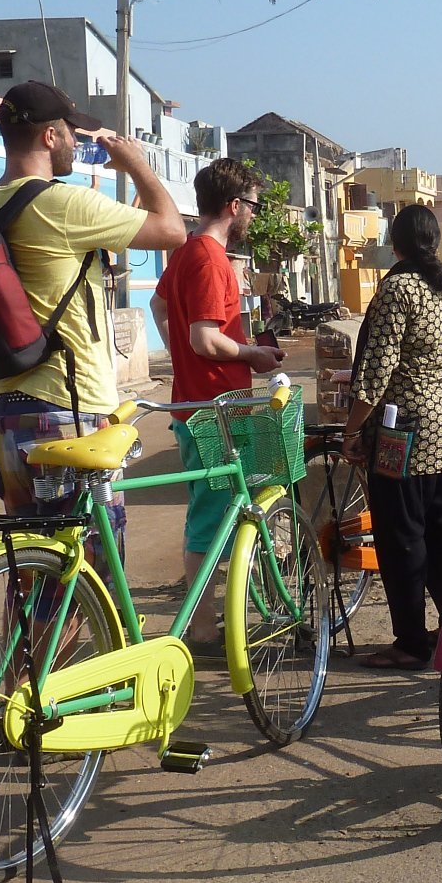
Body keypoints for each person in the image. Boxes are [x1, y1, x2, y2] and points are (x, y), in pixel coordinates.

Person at [0, 81, 185, 568]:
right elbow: (172, 229)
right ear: (50, 137)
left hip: (5, 415)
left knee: (35, 573)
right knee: (87, 576)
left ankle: (28, 648)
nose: (77, 143)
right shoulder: (63, 204)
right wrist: (136, 164)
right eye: (71, 132)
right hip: (68, 414)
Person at [342, 205, 442, 669]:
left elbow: (375, 373)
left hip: (405, 434)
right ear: (435, 242)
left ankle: (411, 642)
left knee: (402, 539)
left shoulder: (397, 289)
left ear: (395, 245)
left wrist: (353, 428)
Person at [151, 157, 284, 594]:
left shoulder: (187, 251)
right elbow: (206, 340)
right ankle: (205, 624)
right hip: (215, 410)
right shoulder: (210, 259)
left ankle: (209, 614)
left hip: (197, 403)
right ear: (233, 205)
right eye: (253, 206)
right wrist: (252, 355)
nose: (253, 215)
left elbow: (160, 307)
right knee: (210, 518)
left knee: (213, 508)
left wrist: (181, 356)